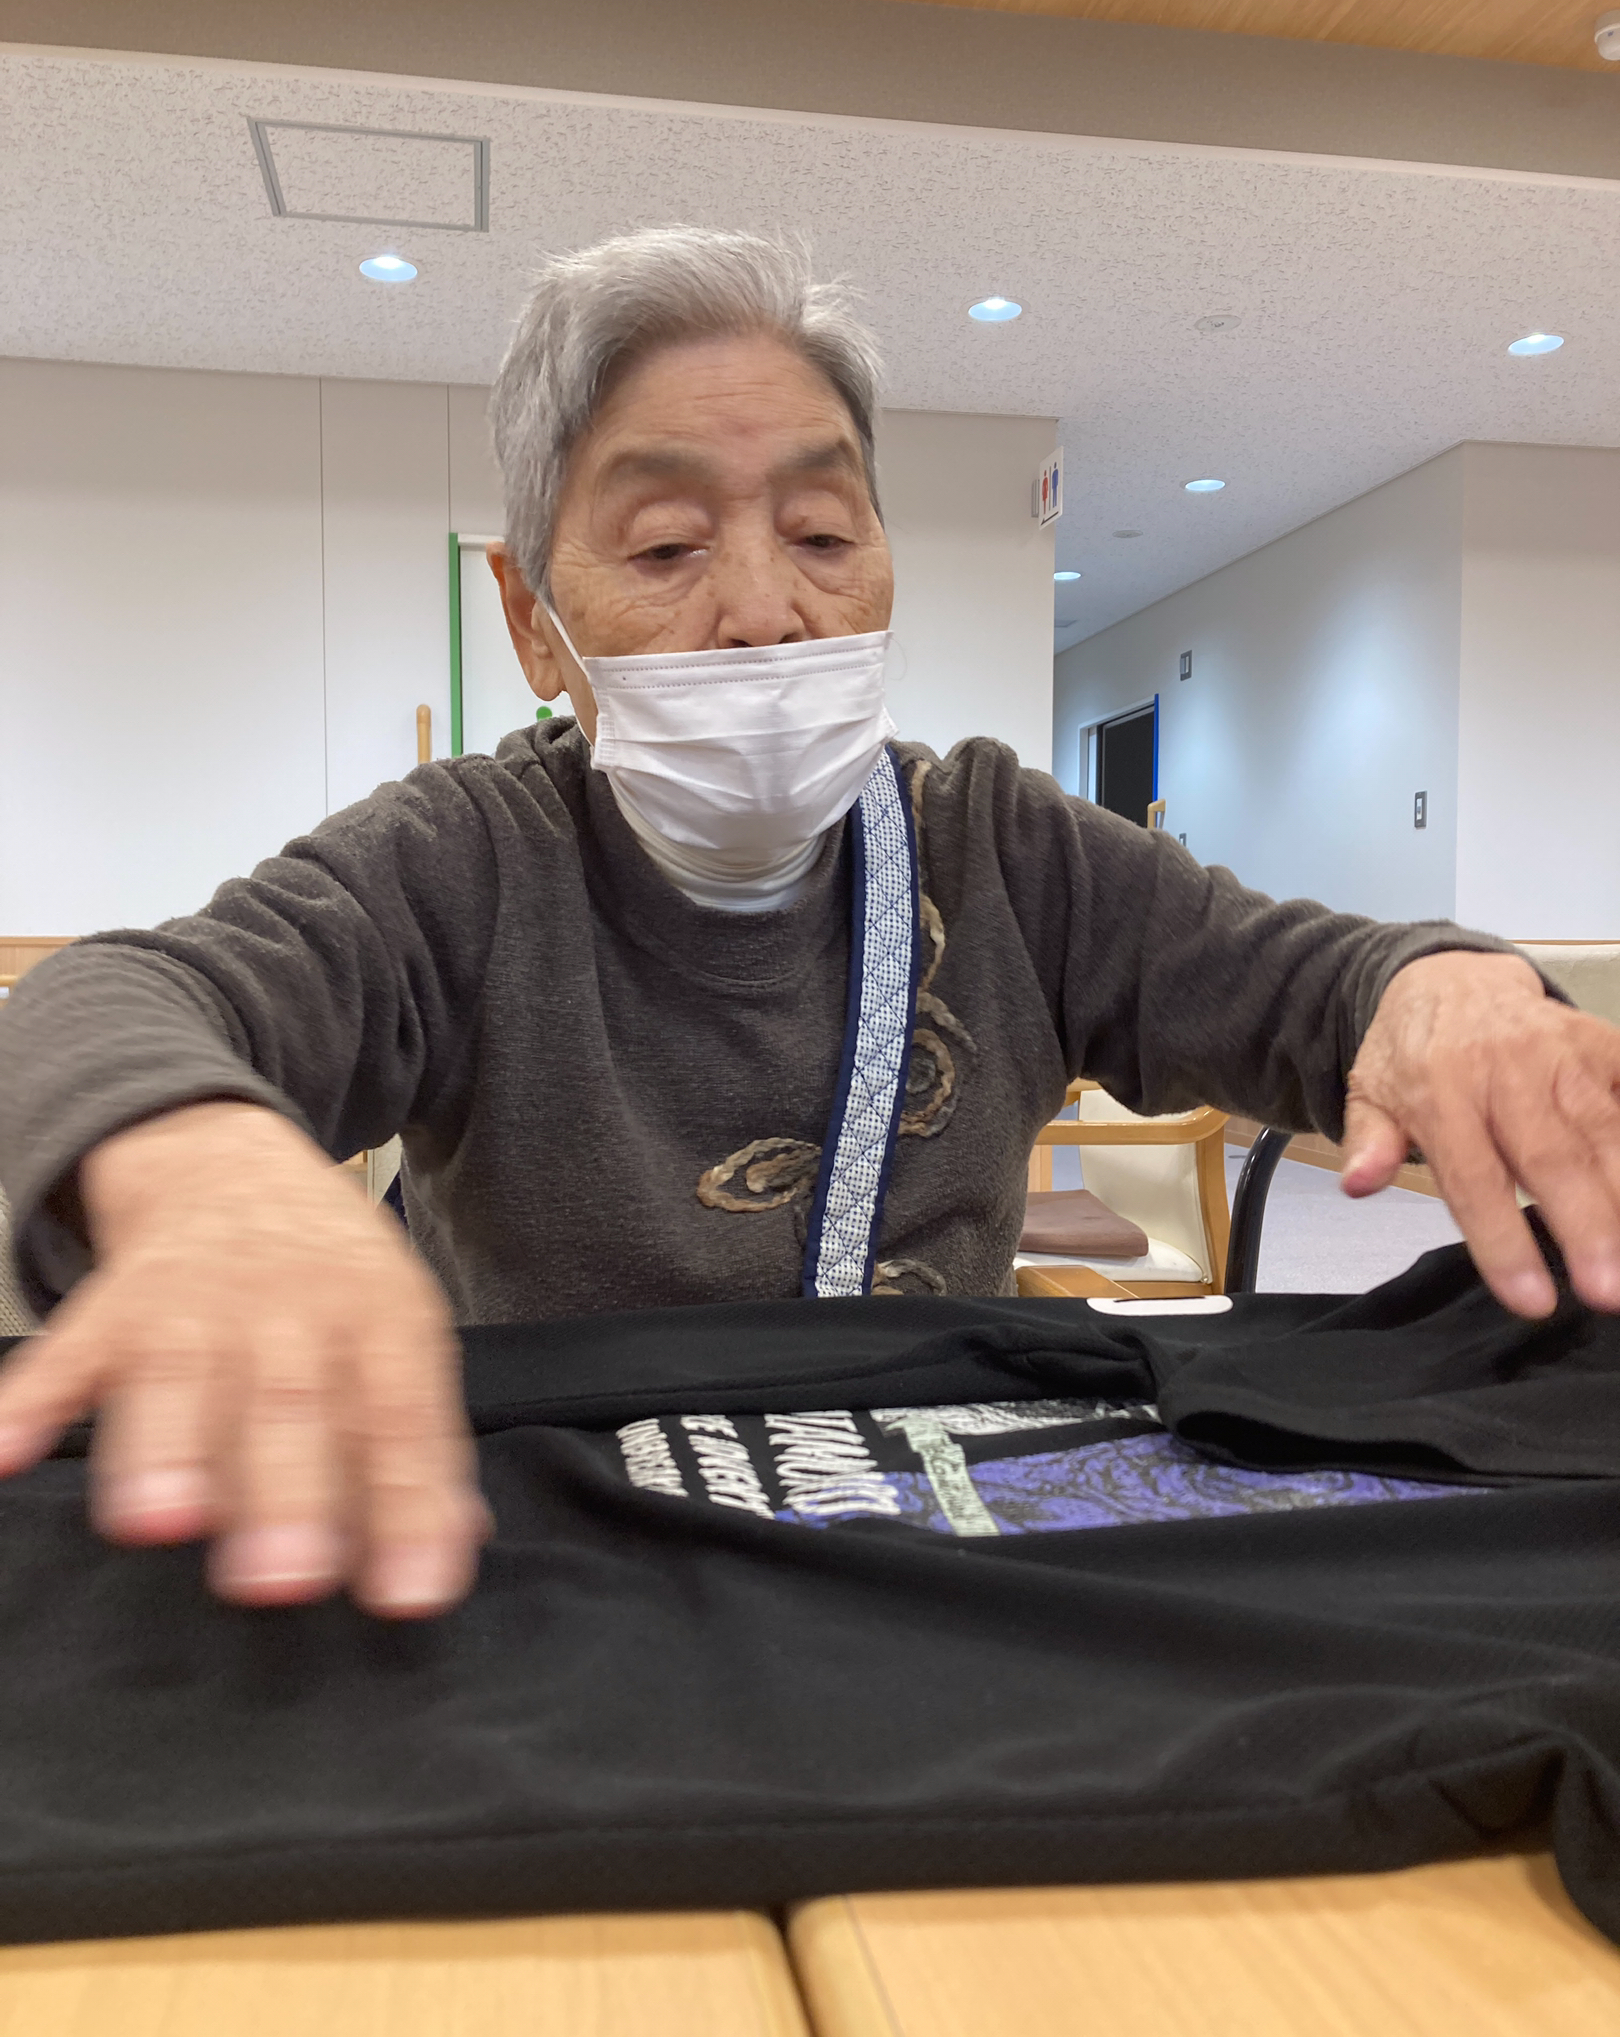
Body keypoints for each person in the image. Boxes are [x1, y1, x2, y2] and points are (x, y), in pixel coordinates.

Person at [2, 227, 1618, 1625]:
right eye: (665, 547)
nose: (768, 610)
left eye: (825, 537)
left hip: (909, 1555)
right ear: (533, 623)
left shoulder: (1003, 847)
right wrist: (202, 1164)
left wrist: (1441, 988)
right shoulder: (461, 863)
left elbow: (1317, 990)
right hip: (550, 1560)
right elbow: (114, 1003)